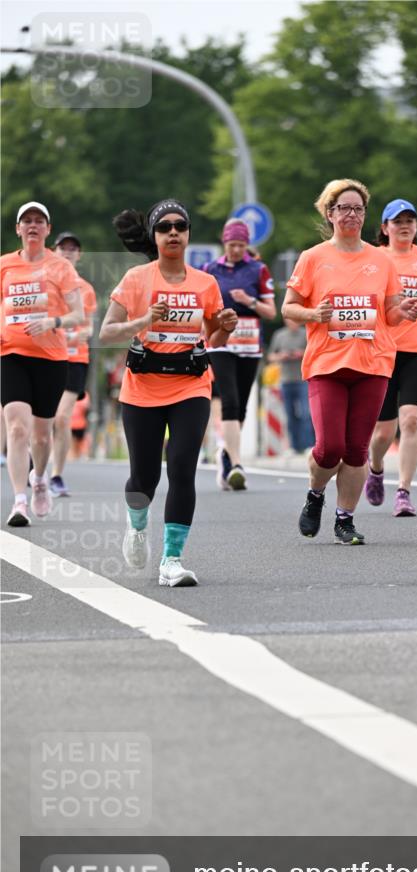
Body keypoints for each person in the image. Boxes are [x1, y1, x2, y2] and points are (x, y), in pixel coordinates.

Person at [99, 198, 238, 586]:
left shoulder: (205, 283)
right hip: (142, 389)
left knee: (181, 468)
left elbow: (212, 337)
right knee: (143, 478)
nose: (173, 232)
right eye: (164, 227)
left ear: (189, 233)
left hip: (191, 387)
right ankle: (137, 524)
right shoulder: (136, 279)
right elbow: (107, 332)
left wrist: (225, 324)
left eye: (180, 226)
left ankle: (171, 560)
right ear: (155, 236)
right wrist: (144, 320)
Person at [282, 178, 417, 545]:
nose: (351, 214)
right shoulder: (313, 258)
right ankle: (315, 495)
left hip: (373, 363)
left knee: (357, 450)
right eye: (343, 208)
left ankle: (345, 519)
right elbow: (289, 308)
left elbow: (389, 312)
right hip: (327, 364)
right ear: (329, 214)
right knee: (330, 447)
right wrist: (315, 314)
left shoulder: (381, 259)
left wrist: (402, 310)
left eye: (358, 209)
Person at [364, 199, 417, 517]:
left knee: (412, 421)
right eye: (397, 221)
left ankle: (404, 491)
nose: (404, 225)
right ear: (384, 228)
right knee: (384, 432)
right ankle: (375, 468)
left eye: (410, 220)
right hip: (383, 350)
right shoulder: (374, 258)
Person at [1, 201, 83, 527]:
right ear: (18, 229)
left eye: (39, 221)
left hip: (50, 358)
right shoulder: (4, 265)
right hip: (11, 355)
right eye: (27, 221)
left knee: (42, 436)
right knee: (17, 428)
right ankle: (19, 501)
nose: (32, 226)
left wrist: (53, 322)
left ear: (47, 230)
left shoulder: (61, 267)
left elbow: (78, 314)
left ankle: (39, 479)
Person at [201, 219, 276, 490]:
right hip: (220, 342)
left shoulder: (258, 270)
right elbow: (202, 309)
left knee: (241, 404)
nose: (235, 250)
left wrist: (249, 301)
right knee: (229, 399)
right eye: (232, 244)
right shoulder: (210, 270)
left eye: (241, 245)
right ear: (224, 242)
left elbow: (271, 312)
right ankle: (235, 463)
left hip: (250, 344)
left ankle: (225, 454)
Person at [49, 231, 97, 497]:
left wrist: (80, 333)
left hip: (74, 358)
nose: (68, 252)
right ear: (54, 251)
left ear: (79, 255)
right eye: (63, 247)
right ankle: (37, 466)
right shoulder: (44, 283)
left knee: (62, 417)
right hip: (45, 356)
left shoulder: (86, 289)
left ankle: (56, 475)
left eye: (73, 248)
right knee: (41, 419)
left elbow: (89, 327)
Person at [267, 318, 314, 453]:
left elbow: (313, 352)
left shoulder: (305, 333)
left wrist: (301, 354)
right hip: (286, 380)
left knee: (306, 413)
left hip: (303, 379)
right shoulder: (279, 335)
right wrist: (281, 356)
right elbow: (271, 356)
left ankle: (308, 445)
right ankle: (294, 446)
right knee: (290, 414)